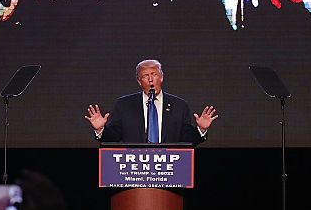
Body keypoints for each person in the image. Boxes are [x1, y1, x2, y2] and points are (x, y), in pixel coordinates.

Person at [85, 59, 218, 145]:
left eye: (154, 74)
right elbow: (113, 139)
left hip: (169, 172)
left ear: (161, 77)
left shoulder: (179, 105)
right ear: (139, 81)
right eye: (145, 76)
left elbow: (187, 140)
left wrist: (200, 129)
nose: (150, 79)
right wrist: (101, 129)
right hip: (134, 172)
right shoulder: (124, 105)